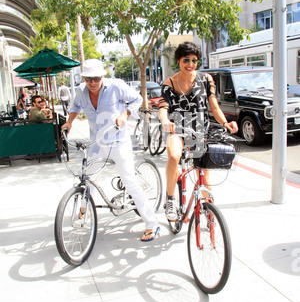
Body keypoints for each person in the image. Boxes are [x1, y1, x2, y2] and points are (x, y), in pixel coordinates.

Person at [61, 59, 160, 242]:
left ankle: (151, 224)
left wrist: (125, 114)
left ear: (102, 77)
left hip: (118, 141)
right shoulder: (82, 93)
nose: (92, 83)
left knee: (129, 181)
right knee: (86, 178)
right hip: (97, 143)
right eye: (88, 79)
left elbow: (137, 99)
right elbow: (75, 107)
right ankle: (83, 210)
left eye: (96, 78)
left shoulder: (116, 86)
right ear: (83, 78)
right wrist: (69, 122)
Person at [158, 41, 238, 222]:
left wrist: (226, 123)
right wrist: (165, 121)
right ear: (178, 60)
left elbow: (215, 107)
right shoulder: (169, 83)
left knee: (204, 173)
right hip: (177, 129)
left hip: (200, 130)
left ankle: (209, 207)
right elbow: (163, 108)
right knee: (173, 155)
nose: (190, 64)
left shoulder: (206, 79)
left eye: (194, 61)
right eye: (186, 60)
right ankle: (170, 199)